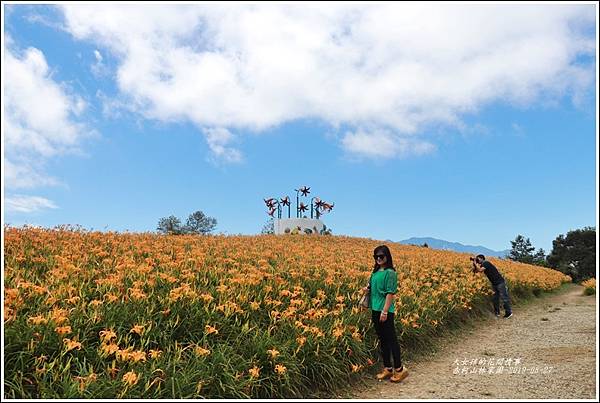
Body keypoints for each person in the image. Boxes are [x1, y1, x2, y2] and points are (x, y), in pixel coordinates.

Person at [362, 245, 409, 383]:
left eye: (381, 256)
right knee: (382, 339)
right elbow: (371, 287)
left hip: (385, 310)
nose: (378, 259)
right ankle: (388, 368)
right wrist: (366, 289)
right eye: (376, 256)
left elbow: (390, 293)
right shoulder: (375, 272)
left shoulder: (390, 273)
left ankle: (400, 369)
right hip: (375, 309)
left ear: (387, 257)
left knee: (391, 339)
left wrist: (385, 311)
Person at [472, 254, 513, 318]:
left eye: (478, 259)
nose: (477, 260)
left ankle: (509, 312)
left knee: (504, 298)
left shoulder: (486, 263)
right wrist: (474, 264)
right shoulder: (482, 265)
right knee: (495, 299)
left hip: (500, 283)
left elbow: (480, 270)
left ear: (482, 258)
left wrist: (475, 263)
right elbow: (476, 271)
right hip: (494, 284)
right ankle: (497, 313)